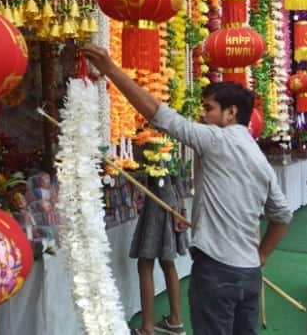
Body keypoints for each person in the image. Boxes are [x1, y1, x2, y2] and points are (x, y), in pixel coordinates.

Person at [81, 45, 292, 335]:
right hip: (249, 274)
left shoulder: (217, 140)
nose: (203, 116)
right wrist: (261, 255)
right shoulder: (258, 157)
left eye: (208, 109)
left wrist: (112, 70)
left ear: (231, 113)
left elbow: (160, 116)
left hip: (217, 271)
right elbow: (282, 215)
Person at [130, 170, 188, 335]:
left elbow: (163, 174)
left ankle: (148, 328)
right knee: (166, 262)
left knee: (145, 263)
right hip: (167, 200)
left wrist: (175, 209)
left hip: (160, 203)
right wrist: (179, 207)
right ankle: (175, 321)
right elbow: (175, 175)